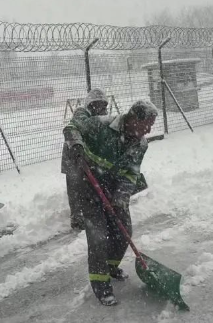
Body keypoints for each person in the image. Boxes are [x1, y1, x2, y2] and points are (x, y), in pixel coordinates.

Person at [63, 100, 157, 306]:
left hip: (113, 188)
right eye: (146, 124)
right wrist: (77, 144)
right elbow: (71, 127)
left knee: (124, 232)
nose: (148, 130)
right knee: (98, 237)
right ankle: (100, 285)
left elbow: (131, 174)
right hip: (88, 184)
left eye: (151, 125)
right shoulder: (101, 125)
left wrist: (120, 198)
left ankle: (110, 267)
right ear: (133, 118)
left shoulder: (141, 144)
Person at [61, 88, 108, 231]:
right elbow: (74, 127)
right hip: (73, 156)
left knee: (90, 185)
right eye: (96, 104)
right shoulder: (82, 114)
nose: (99, 108)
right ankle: (77, 217)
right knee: (75, 186)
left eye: (102, 105)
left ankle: (93, 210)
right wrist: (77, 145)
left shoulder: (103, 117)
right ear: (90, 105)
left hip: (89, 157)